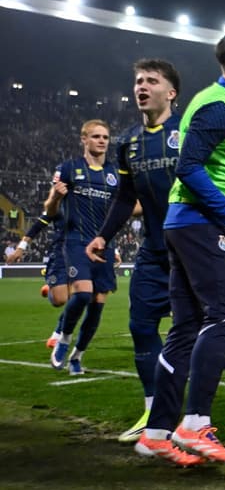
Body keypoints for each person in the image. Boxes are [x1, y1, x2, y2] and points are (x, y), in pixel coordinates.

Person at [85, 59, 225, 445]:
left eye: (151, 81)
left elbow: (218, 168)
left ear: (171, 92)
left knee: (217, 325)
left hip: (195, 239)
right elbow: (124, 197)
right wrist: (103, 236)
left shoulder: (188, 128)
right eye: (138, 81)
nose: (141, 87)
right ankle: (155, 412)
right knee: (143, 327)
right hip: (154, 249)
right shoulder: (128, 143)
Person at [134, 31, 225, 467]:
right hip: (197, 223)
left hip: (183, 221)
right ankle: (195, 423)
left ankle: (155, 433)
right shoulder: (220, 104)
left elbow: (208, 164)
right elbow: (187, 166)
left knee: (186, 327)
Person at [46, 119, 119, 376]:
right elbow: (49, 210)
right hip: (76, 241)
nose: (101, 141)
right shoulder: (68, 168)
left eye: (105, 137)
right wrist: (55, 197)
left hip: (104, 246)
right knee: (84, 294)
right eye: (96, 136)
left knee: (98, 304)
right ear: (84, 139)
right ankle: (63, 339)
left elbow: (120, 210)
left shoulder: (114, 174)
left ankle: (78, 356)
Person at [6, 210, 68, 346]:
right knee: (60, 300)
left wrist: (113, 251)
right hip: (61, 254)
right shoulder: (59, 201)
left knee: (83, 295)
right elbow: (38, 225)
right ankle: (51, 289)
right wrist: (21, 247)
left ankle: (57, 335)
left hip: (83, 254)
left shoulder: (89, 200)